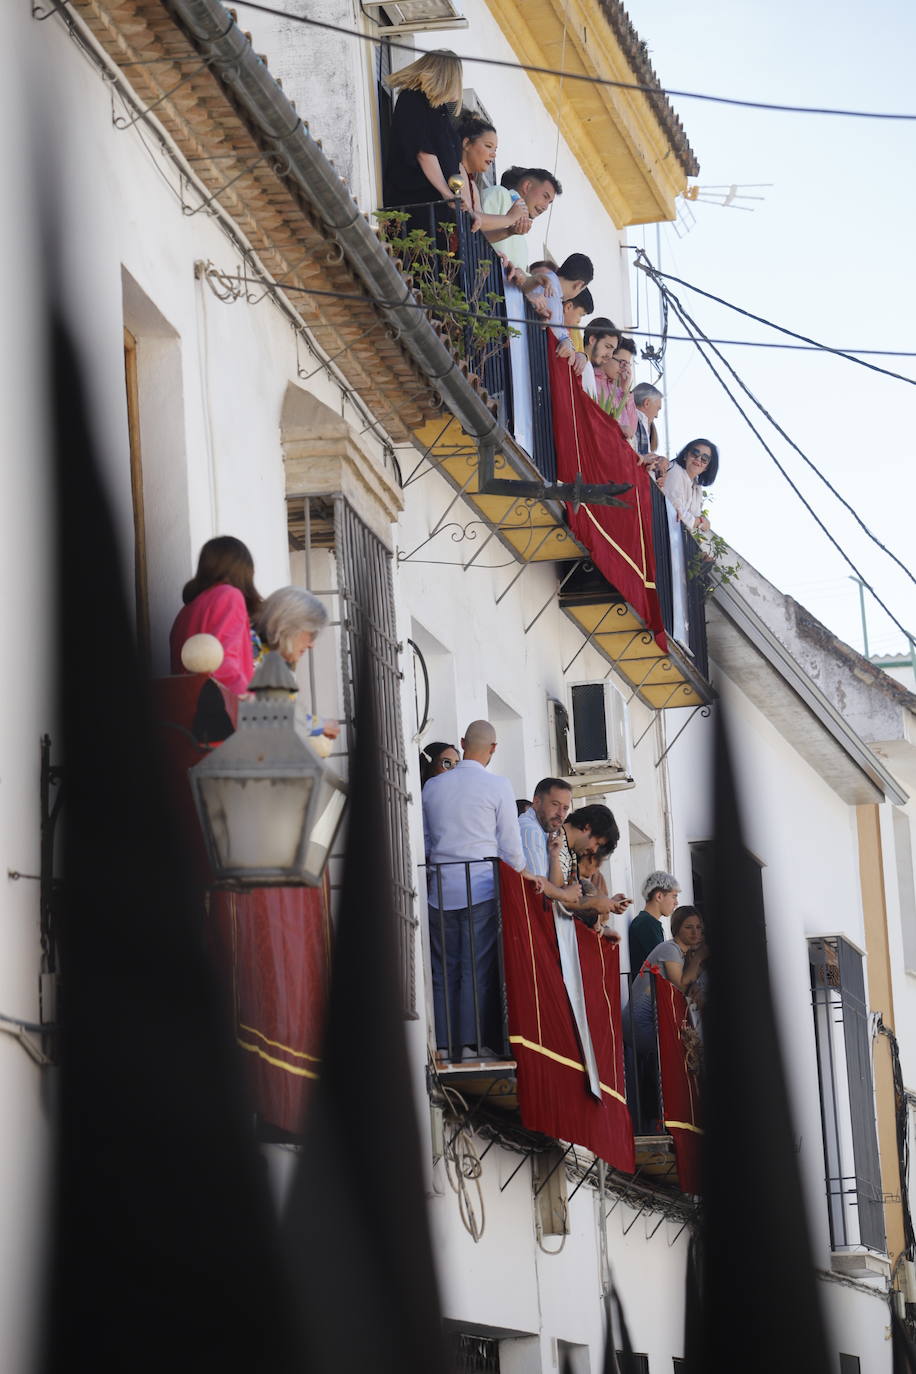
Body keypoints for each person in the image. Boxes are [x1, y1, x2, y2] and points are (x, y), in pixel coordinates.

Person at [423, 720, 539, 1059]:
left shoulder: (433, 788)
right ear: (493, 749)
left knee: (444, 970)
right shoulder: (498, 786)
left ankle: (444, 1046)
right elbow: (511, 848)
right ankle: (472, 1046)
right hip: (481, 887)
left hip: (439, 889)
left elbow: (427, 840)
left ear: (462, 743)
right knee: (475, 969)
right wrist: (524, 875)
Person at [382, 51, 467, 233]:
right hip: (416, 203)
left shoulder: (439, 110)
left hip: (434, 209)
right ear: (448, 76)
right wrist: (445, 193)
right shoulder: (413, 99)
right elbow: (423, 152)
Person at [170, 535, 262, 698]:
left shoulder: (185, 612)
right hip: (219, 709)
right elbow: (222, 662)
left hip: (186, 709)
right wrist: (251, 703)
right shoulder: (230, 596)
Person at [254, 587, 339, 740]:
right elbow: (276, 717)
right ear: (289, 626)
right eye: (311, 634)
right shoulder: (256, 655)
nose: (311, 644)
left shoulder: (272, 656)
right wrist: (319, 726)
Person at [456, 112, 530, 234]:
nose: (493, 154)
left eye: (495, 150)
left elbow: (478, 227)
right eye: (488, 146)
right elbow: (470, 217)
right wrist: (509, 218)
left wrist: (509, 231)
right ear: (467, 144)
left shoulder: (472, 183)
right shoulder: (456, 169)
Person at [528, 254, 595, 374]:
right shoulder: (551, 292)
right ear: (579, 285)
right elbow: (557, 334)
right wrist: (568, 344)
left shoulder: (549, 285)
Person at [660, 439, 720, 533]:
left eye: (704, 459)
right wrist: (700, 521)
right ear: (685, 455)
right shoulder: (675, 470)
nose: (698, 459)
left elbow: (690, 520)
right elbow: (674, 510)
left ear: (707, 467)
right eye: (695, 453)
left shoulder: (697, 487)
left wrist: (695, 521)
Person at [627, 870, 681, 973]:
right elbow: (663, 965)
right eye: (674, 896)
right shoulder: (647, 924)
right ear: (659, 896)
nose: (676, 902)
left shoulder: (647, 922)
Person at [631, 381, 668, 476]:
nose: (657, 415)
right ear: (647, 403)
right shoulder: (633, 420)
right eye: (657, 409)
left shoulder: (639, 422)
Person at [580, 318, 620, 401]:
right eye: (608, 347)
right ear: (592, 340)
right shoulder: (576, 364)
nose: (610, 355)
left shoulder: (591, 370)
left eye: (613, 351)